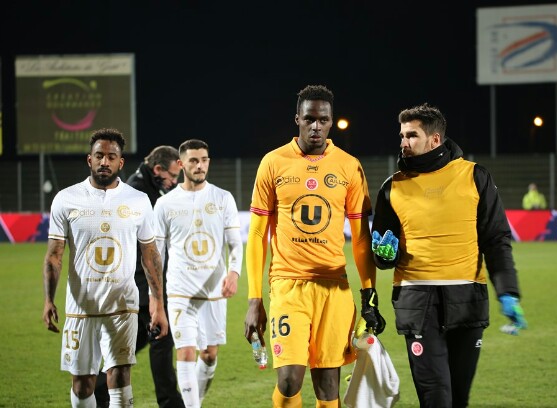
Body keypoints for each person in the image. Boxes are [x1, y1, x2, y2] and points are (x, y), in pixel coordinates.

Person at [371, 103, 527, 408]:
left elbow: (496, 240)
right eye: (402, 135)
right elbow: (383, 255)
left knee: (458, 400)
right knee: (436, 399)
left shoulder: (475, 176)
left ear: (435, 139)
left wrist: (508, 292)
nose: (403, 142)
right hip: (416, 302)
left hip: (467, 300)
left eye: (412, 135)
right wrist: (385, 254)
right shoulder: (391, 188)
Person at [243, 84, 386, 408]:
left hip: (333, 288)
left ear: (331, 122)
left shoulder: (349, 166)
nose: (316, 126)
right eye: (309, 119)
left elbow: (361, 237)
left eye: (323, 120)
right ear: (297, 119)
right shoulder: (273, 163)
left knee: (327, 386)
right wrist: (254, 298)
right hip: (288, 285)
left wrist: (369, 295)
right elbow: (256, 235)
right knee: (290, 379)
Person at [42, 128, 169, 408]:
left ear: (120, 163)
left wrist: (157, 303)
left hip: (123, 304)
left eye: (111, 157)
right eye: (99, 156)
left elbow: (150, 255)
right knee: (83, 382)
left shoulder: (137, 200)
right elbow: (54, 255)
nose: (104, 162)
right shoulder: (66, 198)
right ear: (89, 159)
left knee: (120, 374)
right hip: (81, 306)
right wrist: (49, 300)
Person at [153, 139, 243, 408]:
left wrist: (234, 273)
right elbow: (156, 255)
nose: (200, 165)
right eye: (193, 160)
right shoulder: (166, 204)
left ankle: (195, 402)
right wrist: (156, 295)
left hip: (214, 291)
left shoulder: (222, 198)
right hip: (180, 291)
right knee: (187, 351)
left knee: (209, 355)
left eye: (204, 160)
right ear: (181, 164)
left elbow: (235, 243)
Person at [94, 145, 184, 408]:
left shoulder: (144, 186)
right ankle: (170, 403)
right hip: (141, 282)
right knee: (161, 339)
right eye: (172, 176)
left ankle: (96, 391)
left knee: (130, 347)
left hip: (139, 281)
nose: (174, 182)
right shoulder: (139, 193)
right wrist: (153, 291)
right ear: (158, 169)